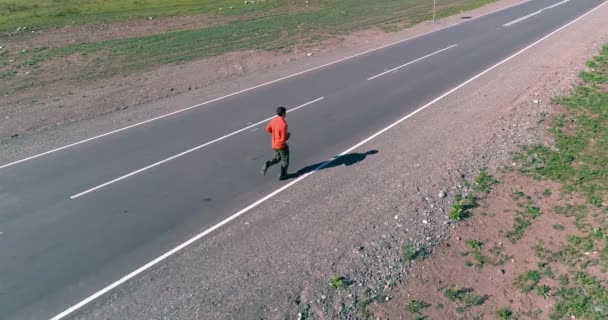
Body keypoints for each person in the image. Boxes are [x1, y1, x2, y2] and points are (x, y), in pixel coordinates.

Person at [262, 106, 291, 180]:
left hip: (274, 144)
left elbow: (267, 129)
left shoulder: (273, 120)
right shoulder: (284, 124)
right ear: (283, 113)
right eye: (285, 112)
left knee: (277, 158)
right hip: (281, 145)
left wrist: (275, 133)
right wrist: (288, 135)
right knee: (285, 160)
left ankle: (268, 163)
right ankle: (283, 175)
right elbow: (283, 139)